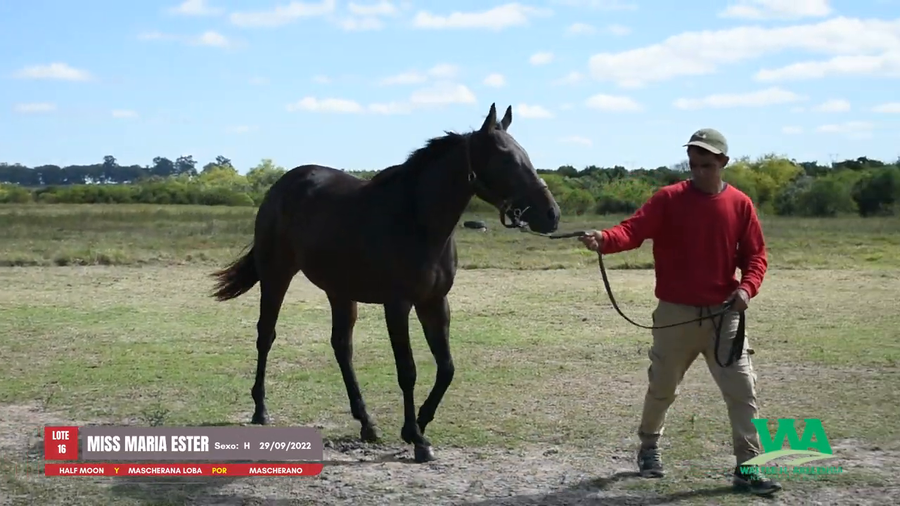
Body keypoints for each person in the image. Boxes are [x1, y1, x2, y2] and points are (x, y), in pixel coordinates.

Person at [578, 128, 782, 496]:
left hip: (725, 315)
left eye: (706, 164)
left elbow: (755, 256)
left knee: (743, 391)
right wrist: (604, 239)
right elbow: (632, 231)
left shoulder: (740, 204)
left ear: (723, 162)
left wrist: (746, 288)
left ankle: (748, 467)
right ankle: (649, 447)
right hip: (675, 314)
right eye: (693, 164)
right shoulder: (668, 199)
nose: (698, 171)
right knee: (662, 387)